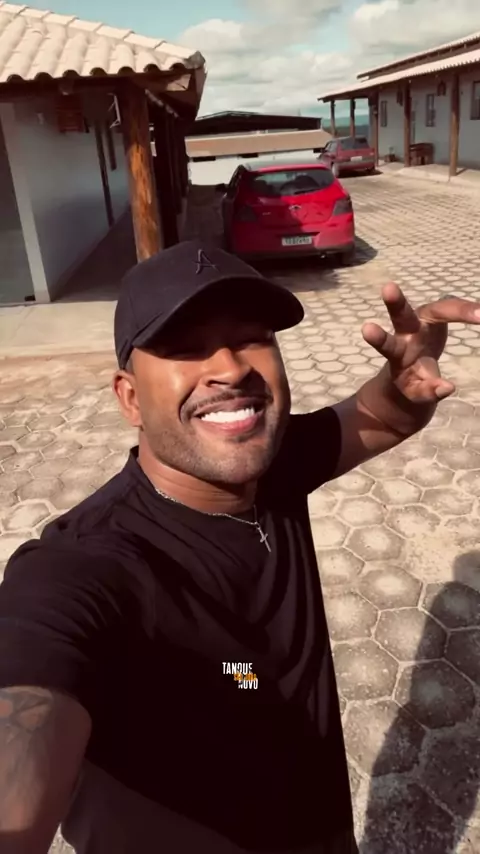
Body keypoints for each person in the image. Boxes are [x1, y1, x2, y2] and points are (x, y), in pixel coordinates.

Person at [0, 240, 478, 854]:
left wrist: (404, 386)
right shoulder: (85, 568)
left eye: (252, 338)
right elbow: (31, 676)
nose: (229, 368)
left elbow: (381, 416)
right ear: (129, 398)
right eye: (185, 346)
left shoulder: (272, 466)